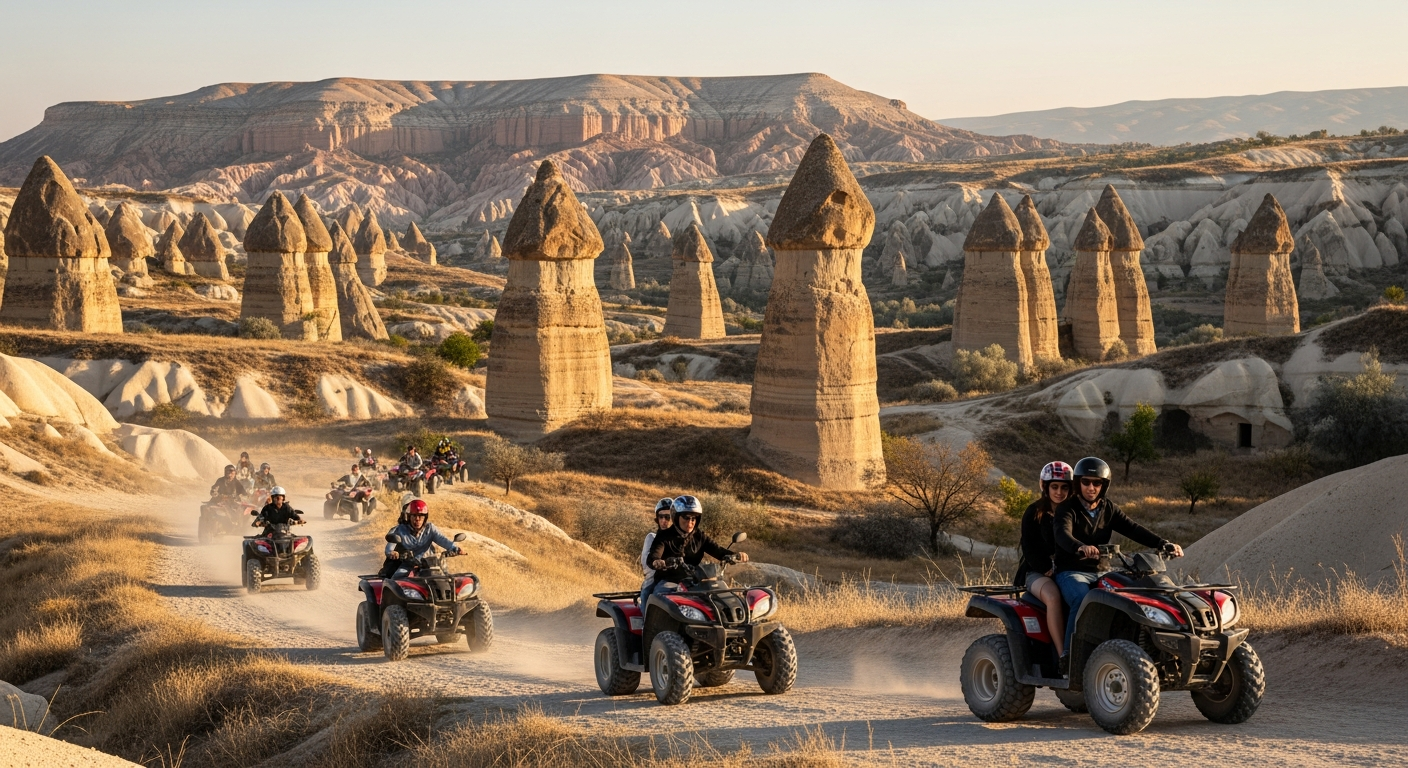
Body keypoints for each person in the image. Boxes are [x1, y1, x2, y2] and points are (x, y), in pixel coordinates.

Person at [1053, 457, 1183, 669]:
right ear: (1078, 483)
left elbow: (1133, 528)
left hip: (1102, 571)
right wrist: (1079, 546)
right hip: (1072, 572)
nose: (1091, 487)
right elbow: (1062, 534)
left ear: (1104, 485)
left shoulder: (1108, 508)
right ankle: (1069, 656)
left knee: (1131, 596)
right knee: (1082, 599)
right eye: (1086, 482)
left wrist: (1163, 543)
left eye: (1097, 483)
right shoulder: (1067, 508)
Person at [1014, 462, 1074, 659]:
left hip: (1068, 570)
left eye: (1064, 487)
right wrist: (1047, 569)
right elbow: (1028, 548)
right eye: (1054, 487)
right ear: (1045, 486)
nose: (1059, 492)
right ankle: (1062, 655)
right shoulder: (1034, 512)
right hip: (1037, 572)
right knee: (1053, 596)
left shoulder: (1073, 512)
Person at [647, 496, 749, 599]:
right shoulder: (664, 536)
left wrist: (735, 555)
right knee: (662, 598)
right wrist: (657, 561)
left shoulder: (700, 536)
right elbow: (654, 555)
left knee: (720, 600)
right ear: (676, 517)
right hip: (669, 582)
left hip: (694, 582)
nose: (690, 522)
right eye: (686, 517)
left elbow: (717, 550)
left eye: (693, 518)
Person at [382, 499, 463, 577]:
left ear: (425, 517)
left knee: (447, 578)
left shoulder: (430, 528)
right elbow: (389, 547)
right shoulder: (399, 530)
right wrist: (392, 553)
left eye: (421, 516)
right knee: (397, 580)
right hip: (406, 565)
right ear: (409, 517)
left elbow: (443, 540)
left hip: (428, 565)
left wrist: (455, 548)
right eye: (414, 516)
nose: (417, 519)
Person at [637, 498, 676, 607]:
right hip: (654, 581)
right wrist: (662, 564)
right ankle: (647, 624)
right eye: (661, 517)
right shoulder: (652, 538)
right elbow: (647, 566)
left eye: (668, 517)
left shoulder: (681, 540)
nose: (664, 520)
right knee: (648, 596)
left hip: (677, 581)